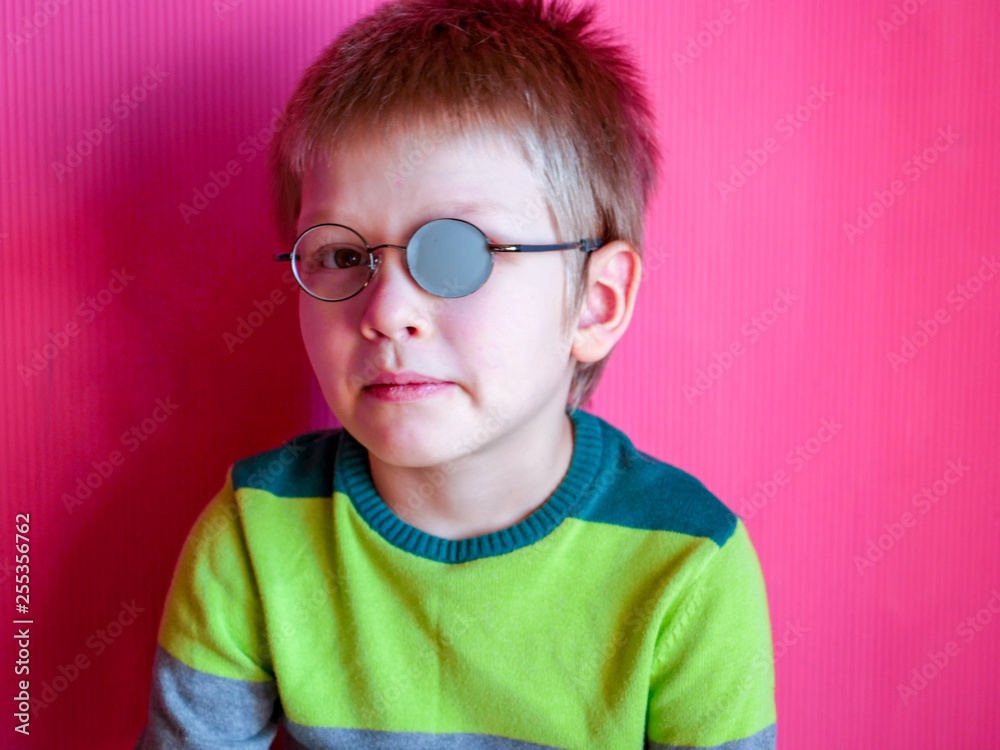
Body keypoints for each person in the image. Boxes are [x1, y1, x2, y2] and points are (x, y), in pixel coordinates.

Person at [135, 0, 777, 747]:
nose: (387, 310)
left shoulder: (686, 561)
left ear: (595, 303)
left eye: (459, 252)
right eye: (344, 256)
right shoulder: (257, 529)